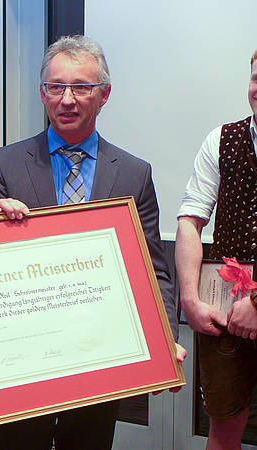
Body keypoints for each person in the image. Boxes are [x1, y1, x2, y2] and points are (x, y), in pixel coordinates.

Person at [0, 35, 185, 450]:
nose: (66, 99)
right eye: (56, 87)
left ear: (104, 94)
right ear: (42, 93)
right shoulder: (6, 163)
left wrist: (163, 335)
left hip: (98, 353)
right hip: (23, 358)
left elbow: (154, 268)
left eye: (81, 87)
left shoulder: (132, 173)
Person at [176, 49, 257, 450]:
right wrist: (189, 299)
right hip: (224, 311)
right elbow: (190, 221)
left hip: (248, 302)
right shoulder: (220, 140)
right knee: (224, 428)